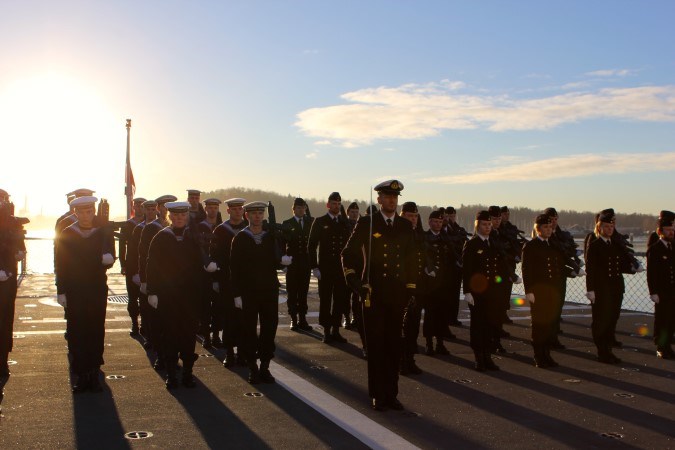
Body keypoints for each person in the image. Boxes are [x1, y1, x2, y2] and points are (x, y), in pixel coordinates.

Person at [342, 180, 417, 411]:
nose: (392, 200)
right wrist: (356, 283)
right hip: (372, 296)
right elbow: (347, 254)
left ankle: (391, 394)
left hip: (396, 296)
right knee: (376, 348)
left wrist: (411, 288)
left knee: (394, 346)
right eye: (387, 197)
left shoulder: (405, 225)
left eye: (395, 197)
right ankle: (377, 394)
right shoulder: (367, 223)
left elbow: (412, 259)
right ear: (379, 200)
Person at [55, 196, 116, 392]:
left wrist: (110, 259)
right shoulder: (67, 233)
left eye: (89, 212)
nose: (85, 216)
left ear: (93, 211)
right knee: (77, 331)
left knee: (96, 329)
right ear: (75, 213)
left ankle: (93, 371)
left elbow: (111, 256)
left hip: (97, 287)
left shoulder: (103, 232)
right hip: (75, 289)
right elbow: (61, 265)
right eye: (81, 212)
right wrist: (61, 290)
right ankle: (82, 375)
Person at [146, 201, 205, 389]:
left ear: (187, 216)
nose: (179, 218)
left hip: (190, 297)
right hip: (168, 296)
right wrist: (152, 291)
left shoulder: (193, 238)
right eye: (176, 215)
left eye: (183, 215)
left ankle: (187, 373)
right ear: (170, 216)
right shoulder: (161, 238)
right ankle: (171, 375)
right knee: (169, 335)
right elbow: (152, 265)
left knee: (188, 336)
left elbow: (200, 267)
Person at [230, 201, 284, 384]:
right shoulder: (240, 238)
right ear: (247, 216)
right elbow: (234, 268)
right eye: (253, 214)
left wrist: (284, 260)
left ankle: (265, 367)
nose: (257, 217)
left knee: (269, 328)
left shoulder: (271, 237)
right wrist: (236, 294)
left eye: (260, 213)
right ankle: (252, 367)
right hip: (248, 292)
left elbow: (276, 261)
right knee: (248, 331)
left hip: (269, 290)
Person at [521, 214, 564, 368]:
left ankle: (547, 354)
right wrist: (529, 291)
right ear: (538, 229)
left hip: (552, 291)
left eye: (550, 227)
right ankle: (539, 356)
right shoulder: (531, 246)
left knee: (549, 325)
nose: (549, 230)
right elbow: (527, 270)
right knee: (539, 326)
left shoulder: (552, 245)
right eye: (545, 227)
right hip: (538, 292)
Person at [139, 194, 176, 368]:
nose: (167, 210)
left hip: (175, 283)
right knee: (158, 320)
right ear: (159, 208)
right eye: (164, 207)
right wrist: (145, 281)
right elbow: (144, 256)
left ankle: (172, 355)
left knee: (174, 322)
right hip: (158, 281)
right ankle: (160, 354)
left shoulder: (180, 228)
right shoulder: (150, 229)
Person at [308, 192, 351, 343]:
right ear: (328, 205)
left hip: (340, 268)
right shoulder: (320, 221)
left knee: (340, 299)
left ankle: (336, 330)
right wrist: (314, 267)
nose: (336, 206)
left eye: (339, 204)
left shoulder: (344, 222)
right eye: (334, 204)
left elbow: (348, 247)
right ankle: (326, 330)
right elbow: (312, 245)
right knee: (325, 299)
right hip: (325, 267)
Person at [462, 210, 502, 372]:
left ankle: (488, 356)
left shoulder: (493, 243)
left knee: (490, 325)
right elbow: (467, 270)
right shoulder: (472, 244)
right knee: (478, 326)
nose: (487, 227)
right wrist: (467, 291)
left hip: (491, 292)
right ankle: (479, 357)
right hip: (477, 293)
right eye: (484, 225)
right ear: (478, 225)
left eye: (489, 225)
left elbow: (497, 269)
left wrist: (499, 285)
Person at [211, 198, 248, 367]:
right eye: (234, 209)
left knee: (244, 318)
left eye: (240, 209)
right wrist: (215, 280)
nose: (238, 212)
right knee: (229, 318)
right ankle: (229, 353)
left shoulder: (249, 229)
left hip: (244, 281)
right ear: (228, 211)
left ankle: (242, 352)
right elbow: (215, 256)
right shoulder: (220, 231)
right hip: (226, 280)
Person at [585, 209, 625, 364]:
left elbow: (620, 264)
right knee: (601, 321)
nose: (610, 230)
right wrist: (590, 289)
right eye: (607, 227)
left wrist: (632, 268)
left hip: (616, 287)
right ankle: (602, 351)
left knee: (612, 319)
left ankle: (608, 349)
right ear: (599, 228)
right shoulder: (595, 245)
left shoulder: (615, 244)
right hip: (601, 289)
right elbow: (591, 269)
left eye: (611, 227)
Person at [400, 202, 430, 374]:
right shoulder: (398, 233)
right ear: (402, 215)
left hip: (417, 287)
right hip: (401, 287)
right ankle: (400, 360)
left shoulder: (419, 235)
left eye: (415, 216)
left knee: (412, 326)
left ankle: (410, 359)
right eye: (410, 216)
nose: (413, 219)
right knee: (401, 327)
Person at [0, 190, 27, 377]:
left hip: (8, 278)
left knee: (6, 317)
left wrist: (20, 252)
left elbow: (20, 244)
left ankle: (3, 359)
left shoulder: (14, 222)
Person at [422, 209, 454, 356]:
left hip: (443, 282)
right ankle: (429, 343)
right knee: (430, 314)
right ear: (429, 222)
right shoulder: (424, 238)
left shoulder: (445, 238)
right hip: (430, 283)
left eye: (440, 222)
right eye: (435, 221)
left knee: (442, 314)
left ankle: (440, 343)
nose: (438, 224)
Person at [281, 198, 314, 331]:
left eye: (303, 208)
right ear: (293, 209)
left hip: (305, 263)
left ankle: (303, 319)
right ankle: (293, 319)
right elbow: (282, 243)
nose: (301, 210)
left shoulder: (309, 222)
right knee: (292, 292)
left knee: (303, 292)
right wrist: (283, 261)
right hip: (292, 263)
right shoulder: (287, 223)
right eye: (298, 208)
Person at [646, 210, 675, 359]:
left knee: (672, 320)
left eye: (672, 230)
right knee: (662, 320)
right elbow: (651, 272)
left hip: (673, 290)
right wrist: (653, 291)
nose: (671, 233)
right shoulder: (655, 249)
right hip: (662, 291)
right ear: (660, 231)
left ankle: (668, 345)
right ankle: (661, 347)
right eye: (668, 230)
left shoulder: (673, 246)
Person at [197, 198, 223, 347]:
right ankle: (206, 335)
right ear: (206, 209)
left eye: (215, 207)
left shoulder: (221, 227)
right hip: (204, 273)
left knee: (219, 307)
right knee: (205, 306)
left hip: (219, 272)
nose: (213, 210)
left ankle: (215, 335)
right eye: (210, 207)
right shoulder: (199, 227)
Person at [119, 197, 146, 336]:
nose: (139, 208)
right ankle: (134, 323)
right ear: (133, 207)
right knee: (132, 296)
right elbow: (122, 245)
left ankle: (145, 324)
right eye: (137, 205)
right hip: (131, 263)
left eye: (142, 206)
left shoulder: (150, 223)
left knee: (145, 296)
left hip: (146, 263)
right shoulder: (128, 225)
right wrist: (123, 264)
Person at [443, 206, 468, 328]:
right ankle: (447, 318)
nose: (450, 219)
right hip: (447, 267)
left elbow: (462, 243)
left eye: (452, 216)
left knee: (455, 294)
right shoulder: (443, 229)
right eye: (448, 216)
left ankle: (453, 317)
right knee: (447, 296)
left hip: (457, 267)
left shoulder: (458, 229)